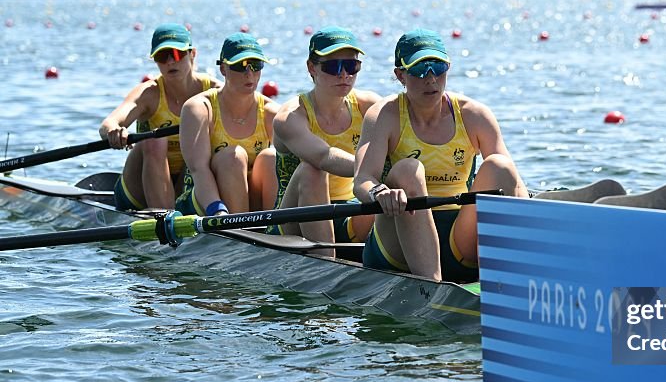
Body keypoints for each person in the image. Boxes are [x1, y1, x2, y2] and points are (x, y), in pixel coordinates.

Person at [354, 28, 529, 281]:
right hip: (398, 245)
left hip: (460, 240)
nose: (431, 79)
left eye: (438, 67)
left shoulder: (474, 115)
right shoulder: (384, 115)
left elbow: (513, 183)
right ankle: (431, 287)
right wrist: (380, 192)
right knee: (408, 170)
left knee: (500, 166)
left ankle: (521, 276)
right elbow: (362, 180)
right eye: (419, 69)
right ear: (400, 75)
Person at [269, 27, 383, 252]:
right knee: (313, 170)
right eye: (332, 66)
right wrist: (370, 171)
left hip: (352, 212)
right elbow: (324, 156)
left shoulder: (370, 106)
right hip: (293, 222)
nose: (344, 74)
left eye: (351, 66)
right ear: (312, 68)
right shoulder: (290, 116)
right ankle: (326, 262)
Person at [99, 23, 220, 210]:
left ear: (193, 54)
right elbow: (108, 123)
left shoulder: (214, 91)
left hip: (190, 181)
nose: (170, 62)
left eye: (177, 54)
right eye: (162, 56)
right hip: (139, 187)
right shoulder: (149, 93)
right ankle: (162, 217)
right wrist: (114, 131)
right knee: (155, 139)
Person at [176, 32, 280, 216]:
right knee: (233, 156)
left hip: (251, 203)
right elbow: (198, 170)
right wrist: (218, 212)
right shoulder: (199, 108)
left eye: (256, 66)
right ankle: (239, 231)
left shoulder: (272, 112)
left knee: (271, 157)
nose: (250, 74)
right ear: (223, 69)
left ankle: (273, 228)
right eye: (241, 66)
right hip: (205, 202)